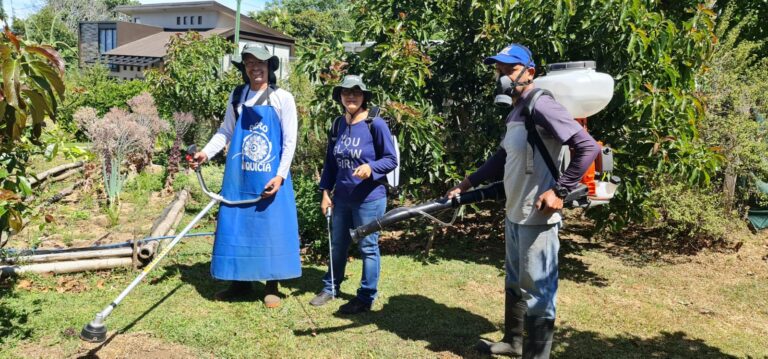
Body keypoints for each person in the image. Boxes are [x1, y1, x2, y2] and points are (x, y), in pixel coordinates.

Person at [446, 44, 599, 358]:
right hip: (515, 213)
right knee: (516, 280)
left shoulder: (542, 105)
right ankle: (514, 342)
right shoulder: (517, 109)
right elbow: (502, 157)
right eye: (500, 69)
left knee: (539, 292)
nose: (503, 75)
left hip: (537, 218)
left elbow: (587, 147)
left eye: (510, 69)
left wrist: (559, 191)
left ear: (530, 71)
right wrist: (468, 182)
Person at [188, 44, 300, 309]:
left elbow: (290, 141)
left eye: (260, 62)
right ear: (244, 68)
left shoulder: (282, 97)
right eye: (248, 62)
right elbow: (226, 131)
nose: (254, 67)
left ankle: (272, 285)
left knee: (269, 228)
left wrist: (280, 176)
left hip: (270, 176)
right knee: (238, 227)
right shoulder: (237, 95)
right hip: (239, 176)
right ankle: (239, 283)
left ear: (270, 67)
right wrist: (206, 153)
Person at [309, 75, 398, 314]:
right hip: (342, 198)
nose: (351, 96)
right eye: (346, 92)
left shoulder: (375, 124)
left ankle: (366, 296)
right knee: (337, 244)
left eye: (356, 93)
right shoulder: (338, 124)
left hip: (370, 199)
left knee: (368, 247)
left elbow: (391, 159)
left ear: (364, 97)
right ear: (339, 96)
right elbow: (330, 163)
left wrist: (371, 168)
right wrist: (325, 193)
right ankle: (330, 287)